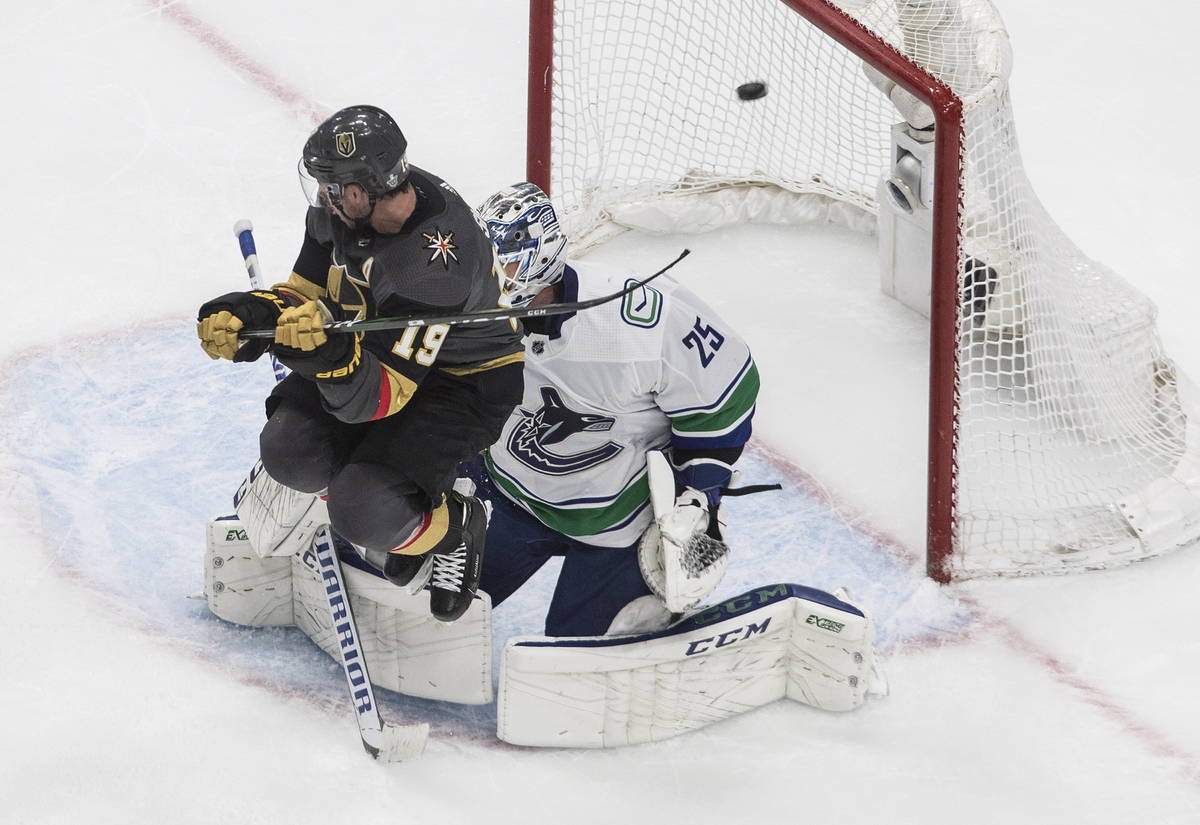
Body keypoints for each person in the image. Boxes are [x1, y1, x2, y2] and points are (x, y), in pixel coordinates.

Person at [196, 105, 525, 622]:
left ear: (361, 189)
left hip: (463, 383)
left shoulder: (433, 271)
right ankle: (387, 490)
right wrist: (253, 315)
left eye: (331, 187)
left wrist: (318, 352)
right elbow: (302, 292)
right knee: (290, 451)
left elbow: (379, 399)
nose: (323, 198)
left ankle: (453, 522)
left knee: (363, 509)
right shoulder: (345, 211)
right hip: (376, 354)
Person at [469, 182, 760, 637]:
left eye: (500, 263)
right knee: (436, 602)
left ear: (540, 259)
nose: (484, 278)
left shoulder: (637, 320)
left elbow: (725, 393)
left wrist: (700, 498)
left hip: (614, 525)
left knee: (574, 647)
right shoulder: (468, 311)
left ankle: (646, 600)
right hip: (510, 490)